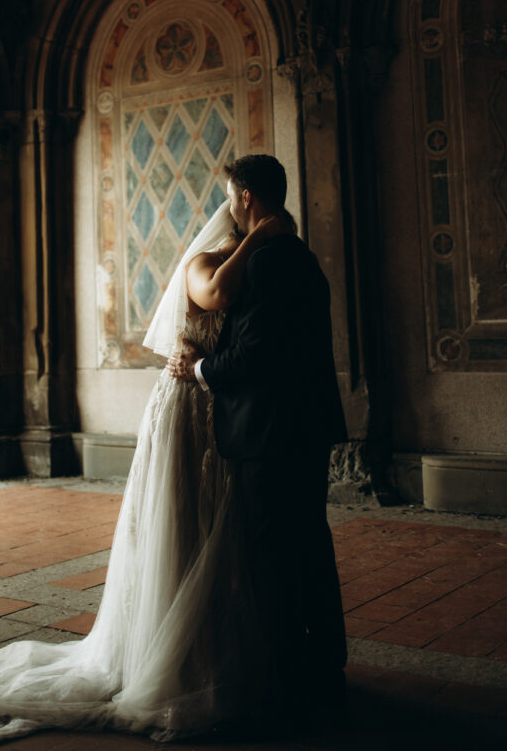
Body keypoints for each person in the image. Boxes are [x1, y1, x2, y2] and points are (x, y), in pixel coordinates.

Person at [0, 194, 289, 745]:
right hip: (183, 407)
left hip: (216, 405)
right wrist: (257, 236)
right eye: (238, 226)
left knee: (214, 528)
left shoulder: (250, 269)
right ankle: (167, 654)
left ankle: (208, 648)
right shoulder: (203, 265)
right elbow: (216, 294)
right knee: (177, 519)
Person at [169, 154, 348, 727]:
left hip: (270, 433)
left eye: (230, 196)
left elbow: (254, 354)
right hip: (304, 427)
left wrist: (199, 370)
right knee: (309, 545)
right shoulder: (299, 257)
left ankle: (287, 679)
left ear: (244, 197)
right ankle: (324, 666)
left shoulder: (268, 262)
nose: (229, 206)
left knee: (272, 556)